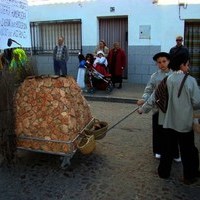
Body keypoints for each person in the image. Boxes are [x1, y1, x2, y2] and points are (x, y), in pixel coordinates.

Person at [137, 52, 180, 161]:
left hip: (172, 109)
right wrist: (144, 98)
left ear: (169, 61)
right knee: (158, 131)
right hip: (158, 109)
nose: (162, 64)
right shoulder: (155, 76)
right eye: (159, 62)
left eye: (164, 61)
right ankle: (158, 150)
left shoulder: (176, 74)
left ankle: (175, 152)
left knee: (173, 131)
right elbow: (149, 90)